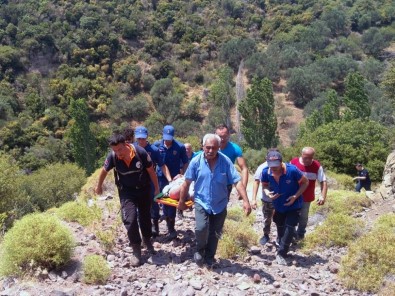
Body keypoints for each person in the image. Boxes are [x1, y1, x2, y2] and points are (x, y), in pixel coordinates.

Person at [177, 134, 252, 267]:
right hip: (201, 201)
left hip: (220, 203)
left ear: (218, 148)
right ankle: (200, 250)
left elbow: (237, 182)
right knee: (201, 228)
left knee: (215, 232)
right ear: (203, 147)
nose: (210, 151)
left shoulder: (226, 161)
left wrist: (246, 201)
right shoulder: (195, 161)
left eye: (214, 148)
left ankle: (209, 257)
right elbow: (186, 183)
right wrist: (181, 202)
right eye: (208, 148)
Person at [95, 133, 160, 267]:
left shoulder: (140, 152)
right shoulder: (113, 157)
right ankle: (136, 248)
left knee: (145, 216)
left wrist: (157, 189)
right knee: (130, 219)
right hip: (126, 192)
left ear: (126, 144)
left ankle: (147, 240)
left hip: (143, 189)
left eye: (120, 149)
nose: (118, 153)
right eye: (115, 150)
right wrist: (99, 186)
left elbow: (151, 171)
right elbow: (104, 171)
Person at [261, 151, 308, 265]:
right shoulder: (266, 172)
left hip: (294, 204)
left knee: (290, 227)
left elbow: (305, 182)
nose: (274, 169)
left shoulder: (292, 170)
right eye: (271, 167)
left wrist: (295, 196)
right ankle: (281, 242)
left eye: (276, 166)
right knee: (280, 226)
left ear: (281, 163)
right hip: (278, 205)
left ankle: (282, 253)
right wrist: (268, 193)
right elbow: (265, 185)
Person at [134, 126, 172, 237]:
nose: (141, 141)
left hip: (150, 180)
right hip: (136, 182)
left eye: (143, 138)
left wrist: (169, 179)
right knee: (138, 206)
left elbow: (162, 165)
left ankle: (155, 225)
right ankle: (141, 231)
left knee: (154, 203)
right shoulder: (132, 148)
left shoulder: (154, 150)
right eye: (139, 138)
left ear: (147, 137)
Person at [155, 125, 189, 239]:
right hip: (160, 178)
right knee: (162, 200)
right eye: (165, 137)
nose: (167, 140)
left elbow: (185, 162)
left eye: (169, 138)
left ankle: (171, 228)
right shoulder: (156, 146)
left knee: (172, 202)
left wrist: (183, 175)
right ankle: (164, 220)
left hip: (175, 179)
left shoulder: (179, 147)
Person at [290, 147, 328, 240]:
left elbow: (323, 181)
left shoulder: (317, 166)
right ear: (301, 155)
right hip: (292, 196)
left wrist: (322, 196)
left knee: (303, 217)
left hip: (306, 197)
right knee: (291, 215)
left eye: (310, 158)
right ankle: (292, 234)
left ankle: (301, 234)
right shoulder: (293, 162)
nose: (307, 160)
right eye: (305, 157)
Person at [251, 149, 279, 245]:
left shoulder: (283, 167)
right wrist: (253, 199)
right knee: (267, 218)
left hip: (281, 198)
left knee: (281, 218)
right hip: (267, 199)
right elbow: (256, 182)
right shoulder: (262, 168)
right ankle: (266, 235)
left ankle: (281, 236)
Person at [215, 124, 248, 197]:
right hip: (211, 181)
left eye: (225, 136)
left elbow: (244, 168)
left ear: (229, 135)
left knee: (222, 206)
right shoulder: (210, 148)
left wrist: (243, 188)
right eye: (220, 136)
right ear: (215, 135)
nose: (222, 139)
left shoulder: (235, 148)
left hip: (226, 183)